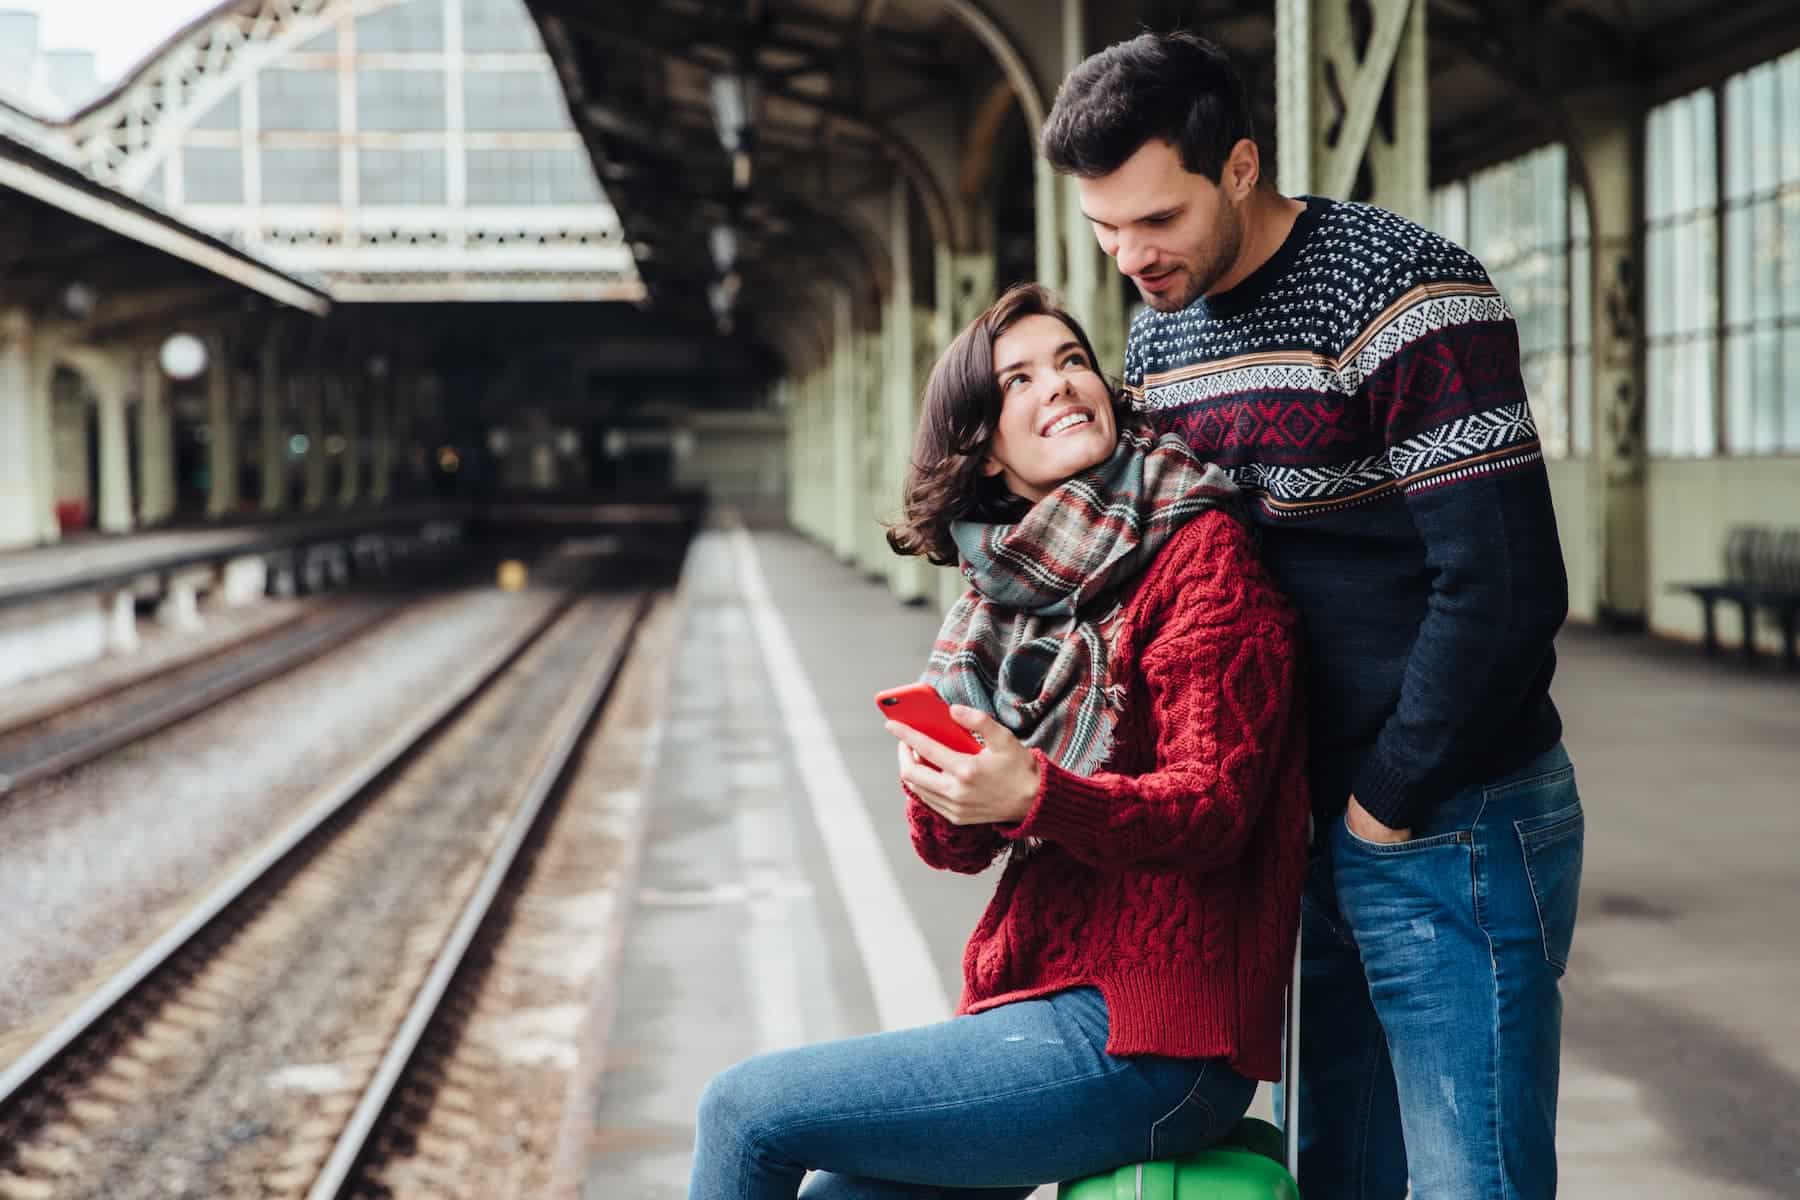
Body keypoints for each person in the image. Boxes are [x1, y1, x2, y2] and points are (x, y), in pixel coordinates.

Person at [1041, 30, 1586, 1200]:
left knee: (1469, 1183)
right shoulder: (1159, 330)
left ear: (1239, 167)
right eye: (1104, 227)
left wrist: (1382, 806)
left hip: (1452, 818)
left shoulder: (1407, 291)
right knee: (1337, 1174)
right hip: (1301, 821)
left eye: (1158, 219)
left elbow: (1503, 588)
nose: (1130, 255)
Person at [688, 284, 1309, 1199]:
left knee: (744, 1111)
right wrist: (948, 783)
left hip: (1161, 1046)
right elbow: (951, 848)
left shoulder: (1201, 552)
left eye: (1070, 362)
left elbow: (1212, 808)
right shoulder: (999, 604)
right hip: (1045, 1007)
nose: (1058, 386)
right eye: (1018, 380)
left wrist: (1035, 794)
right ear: (984, 444)